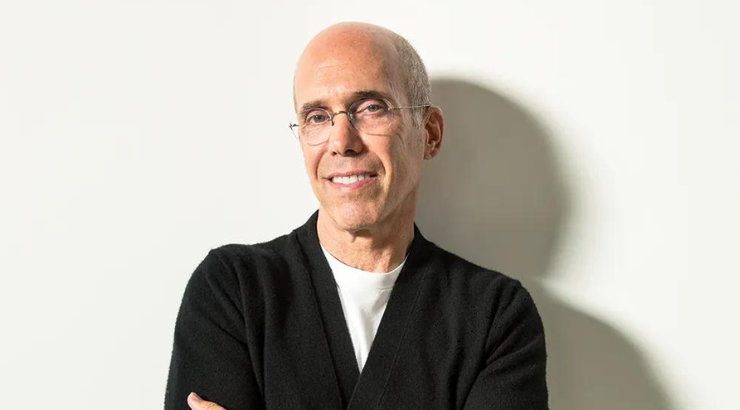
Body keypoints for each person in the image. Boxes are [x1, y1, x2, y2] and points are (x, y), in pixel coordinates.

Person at [165, 22, 548, 410]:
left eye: (370, 108)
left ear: (429, 133)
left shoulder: (494, 315)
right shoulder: (234, 290)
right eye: (317, 117)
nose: (341, 142)